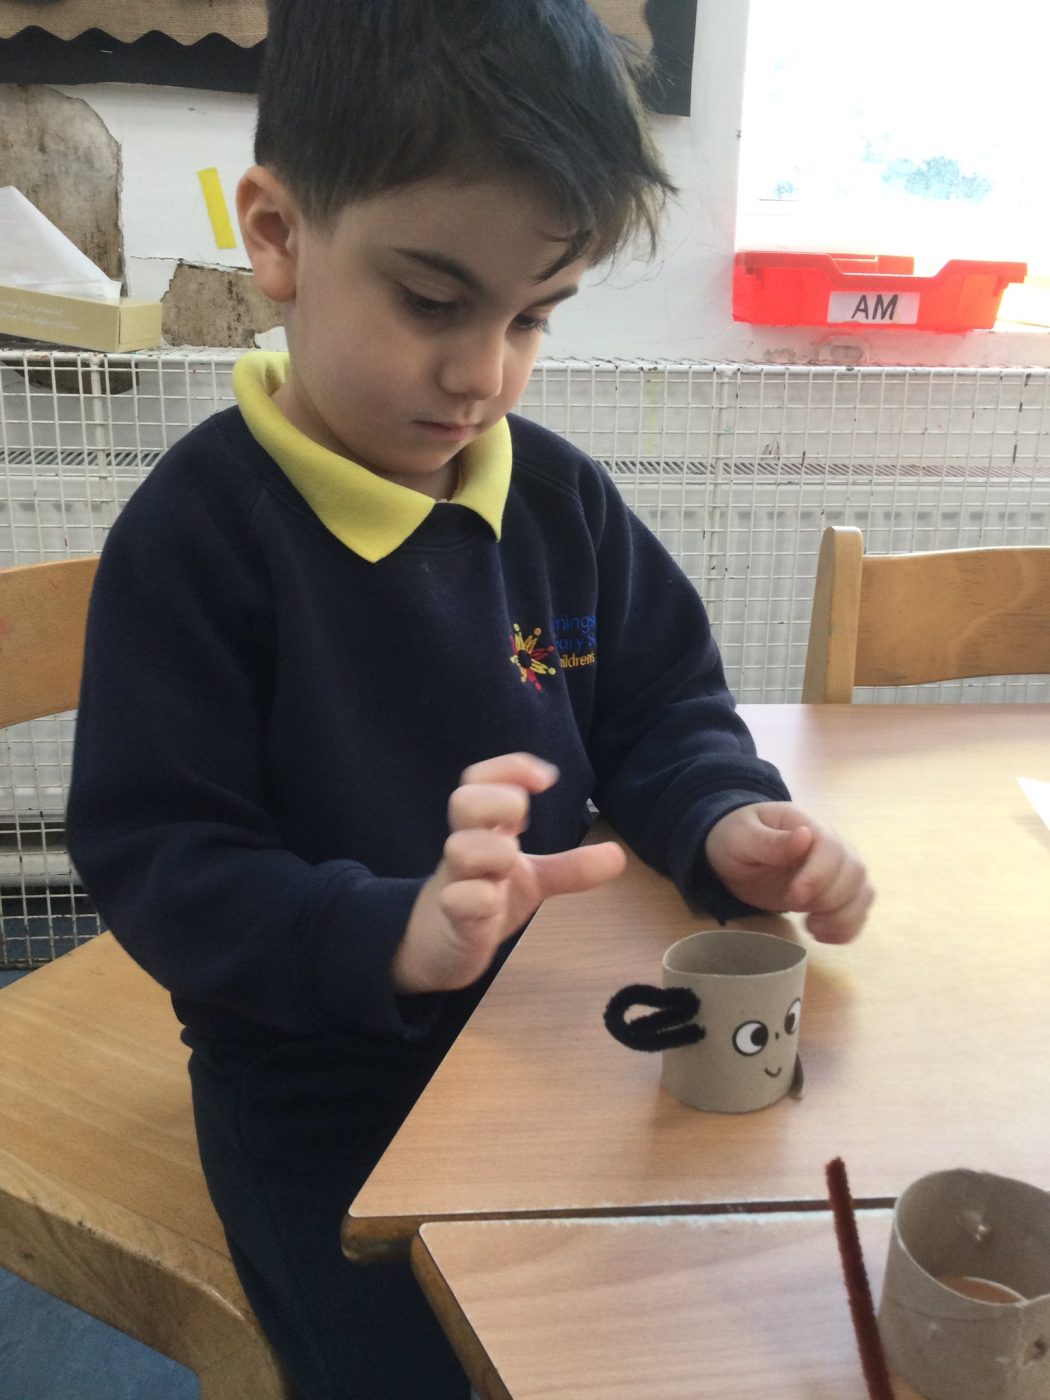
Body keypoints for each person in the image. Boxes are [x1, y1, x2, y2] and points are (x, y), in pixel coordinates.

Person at [66, 1, 874, 1396]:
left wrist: (724, 818)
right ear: (279, 237)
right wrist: (394, 933)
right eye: (433, 303)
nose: (483, 373)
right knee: (424, 1368)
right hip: (319, 1080)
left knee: (689, 1312)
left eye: (532, 316)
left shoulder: (558, 497)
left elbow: (663, 708)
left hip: (556, 1017)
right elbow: (162, 858)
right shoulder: (198, 538)